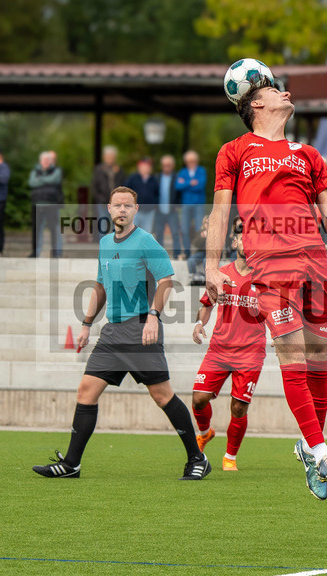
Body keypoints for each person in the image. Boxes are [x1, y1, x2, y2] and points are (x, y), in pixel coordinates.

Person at [208, 78, 327, 500]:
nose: (286, 93)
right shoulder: (234, 150)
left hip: (316, 260)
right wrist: (212, 265)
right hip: (270, 265)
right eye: (275, 89)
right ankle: (319, 448)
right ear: (257, 103)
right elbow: (220, 210)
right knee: (293, 352)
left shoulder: (309, 154)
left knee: (320, 354)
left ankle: (308, 442)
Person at [32, 186, 209, 480]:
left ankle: (197, 458)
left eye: (128, 205)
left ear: (136, 210)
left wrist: (153, 316)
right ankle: (71, 464)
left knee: (162, 396)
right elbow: (100, 286)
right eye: (117, 205)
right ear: (109, 209)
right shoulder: (104, 243)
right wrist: (87, 324)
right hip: (112, 333)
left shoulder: (146, 242)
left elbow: (166, 281)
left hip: (141, 329)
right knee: (86, 391)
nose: (122, 210)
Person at [190, 218, 266, 472]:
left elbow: (280, 309)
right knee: (198, 399)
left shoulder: (265, 279)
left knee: (239, 406)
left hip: (251, 352)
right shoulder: (220, 273)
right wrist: (200, 324)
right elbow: (206, 305)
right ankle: (205, 432)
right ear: (235, 242)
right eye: (243, 235)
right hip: (219, 349)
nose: (248, 239)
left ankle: (230, 457)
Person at [28, 151, 64, 258]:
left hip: (51, 204)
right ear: (40, 161)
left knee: (54, 229)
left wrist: (40, 180)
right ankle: (35, 252)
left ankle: (55, 252)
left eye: (48, 160)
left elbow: (54, 180)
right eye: (44, 160)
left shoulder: (56, 171)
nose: (46, 162)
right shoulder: (35, 171)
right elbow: (32, 182)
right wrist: (46, 180)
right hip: (37, 204)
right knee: (36, 229)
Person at [177, 150, 208, 260]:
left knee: (199, 228)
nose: (191, 163)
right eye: (189, 161)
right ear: (186, 162)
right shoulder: (183, 171)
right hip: (186, 205)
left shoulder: (201, 171)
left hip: (198, 204)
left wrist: (185, 183)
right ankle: (187, 252)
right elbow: (178, 186)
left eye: (193, 161)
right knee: (184, 229)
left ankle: (200, 251)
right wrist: (191, 182)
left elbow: (200, 185)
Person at [92, 146, 126, 240]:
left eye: (111, 156)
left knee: (117, 226)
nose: (109, 158)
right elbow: (94, 187)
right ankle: (103, 249)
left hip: (117, 203)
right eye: (108, 156)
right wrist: (99, 199)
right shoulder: (99, 170)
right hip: (103, 202)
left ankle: (116, 249)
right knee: (103, 226)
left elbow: (123, 186)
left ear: (115, 157)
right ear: (104, 157)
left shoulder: (119, 170)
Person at [152, 154, 183, 256]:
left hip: (172, 210)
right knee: (159, 233)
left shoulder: (177, 178)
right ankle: (159, 255)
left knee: (175, 233)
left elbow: (180, 193)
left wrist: (178, 205)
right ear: (162, 166)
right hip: (159, 210)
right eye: (165, 165)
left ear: (172, 166)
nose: (167, 167)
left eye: (169, 165)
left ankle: (177, 254)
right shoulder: (156, 178)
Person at [125, 158, 159, 232]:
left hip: (149, 211)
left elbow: (157, 194)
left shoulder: (154, 180)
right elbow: (126, 192)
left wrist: (154, 205)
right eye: (144, 166)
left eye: (148, 166)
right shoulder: (132, 179)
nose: (146, 168)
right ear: (139, 167)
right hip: (134, 211)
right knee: (131, 232)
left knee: (146, 233)